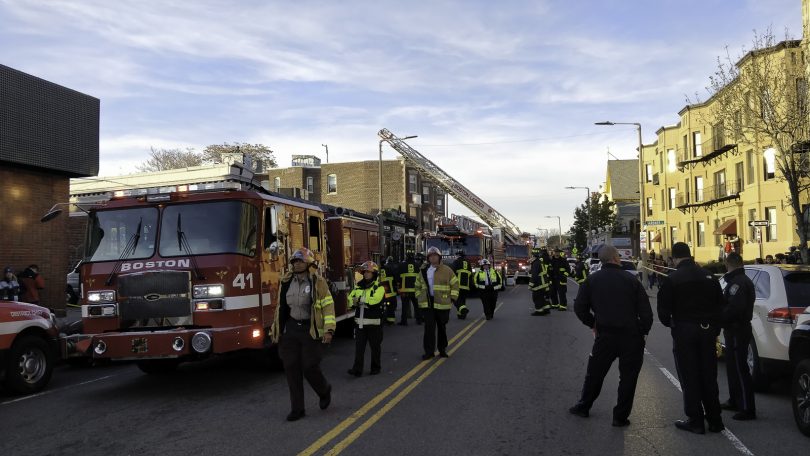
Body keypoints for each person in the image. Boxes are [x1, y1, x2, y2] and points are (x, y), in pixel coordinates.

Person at [569, 246, 653, 427]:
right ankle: (620, 417)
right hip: (631, 337)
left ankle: (584, 406)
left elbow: (579, 308)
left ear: (601, 260)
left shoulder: (592, 280)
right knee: (628, 378)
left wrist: (593, 324)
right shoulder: (632, 280)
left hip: (605, 335)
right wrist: (643, 331)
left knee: (595, 374)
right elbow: (646, 312)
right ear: (616, 258)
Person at [657, 242, 725, 434]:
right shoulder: (710, 277)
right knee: (708, 375)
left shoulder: (673, 278)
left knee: (690, 376)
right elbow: (720, 305)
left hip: (685, 330)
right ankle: (715, 419)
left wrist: (673, 324)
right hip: (708, 330)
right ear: (690, 254)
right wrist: (715, 328)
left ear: (675, 258)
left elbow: (663, 310)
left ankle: (695, 420)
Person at [269, 247, 335, 422]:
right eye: (294, 262)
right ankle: (297, 409)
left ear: (308, 264)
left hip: (310, 330)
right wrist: (276, 329)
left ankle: (324, 390)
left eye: (300, 261)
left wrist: (329, 329)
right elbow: (280, 308)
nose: (296, 264)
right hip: (291, 329)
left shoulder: (317, 282)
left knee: (309, 366)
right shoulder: (286, 282)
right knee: (291, 367)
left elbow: (328, 306)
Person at [720, 252, 757, 420]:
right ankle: (735, 400)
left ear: (729, 264)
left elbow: (734, 308)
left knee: (740, 368)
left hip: (737, 329)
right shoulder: (737, 281)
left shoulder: (739, 283)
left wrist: (717, 318)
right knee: (732, 367)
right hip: (732, 329)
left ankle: (747, 408)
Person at [416, 246, 459, 359]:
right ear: (428, 258)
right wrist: (419, 296)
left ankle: (442, 349)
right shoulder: (423, 270)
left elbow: (455, 284)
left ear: (439, 257)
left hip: (443, 304)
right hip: (428, 304)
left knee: (442, 329)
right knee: (429, 330)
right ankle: (429, 352)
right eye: (431, 256)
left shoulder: (447, 270)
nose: (433, 258)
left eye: (435, 256)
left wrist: (453, 298)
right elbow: (417, 285)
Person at [347, 261, 386, 377]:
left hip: (374, 324)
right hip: (360, 324)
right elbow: (350, 299)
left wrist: (359, 301)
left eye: (369, 272)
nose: (366, 274)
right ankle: (357, 369)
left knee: (375, 348)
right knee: (359, 349)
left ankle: (376, 367)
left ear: (374, 273)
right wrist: (358, 302)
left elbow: (375, 301)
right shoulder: (359, 286)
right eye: (365, 272)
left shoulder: (379, 287)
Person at [397, 252, 422, 325]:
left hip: (405, 290)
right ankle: (419, 320)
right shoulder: (417, 265)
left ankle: (404, 321)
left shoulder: (401, 265)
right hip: (415, 290)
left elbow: (398, 277)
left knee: (404, 306)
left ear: (406, 257)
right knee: (417, 306)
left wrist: (398, 286)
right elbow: (420, 278)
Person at [529, 248, 551, 316]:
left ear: (533, 255)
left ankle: (539, 311)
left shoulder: (535, 263)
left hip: (539, 284)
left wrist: (530, 285)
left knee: (536, 298)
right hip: (544, 283)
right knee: (542, 297)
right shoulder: (540, 261)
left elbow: (534, 275)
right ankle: (546, 309)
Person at [450, 250, 472, 320]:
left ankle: (463, 309)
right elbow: (471, 274)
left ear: (458, 256)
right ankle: (461, 315)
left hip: (458, 284)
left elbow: (452, 273)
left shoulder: (456, 262)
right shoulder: (468, 262)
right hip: (466, 285)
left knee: (455, 299)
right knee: (462, 299)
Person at [380, 257, 398, 325]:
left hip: (380, 294)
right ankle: (391, 321)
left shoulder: (377, 270)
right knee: (390, 307)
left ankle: (382, 320)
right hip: (390, 292)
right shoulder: (389, 269)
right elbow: (395, 278)